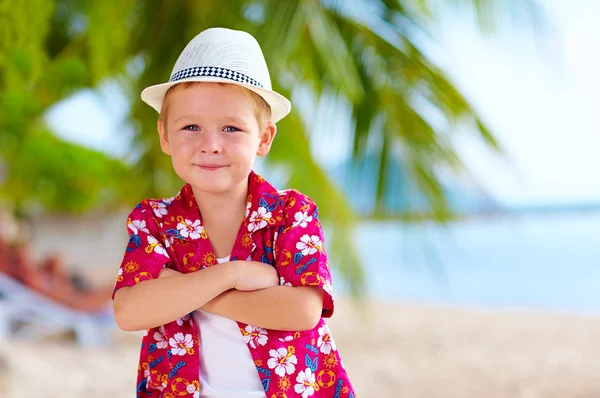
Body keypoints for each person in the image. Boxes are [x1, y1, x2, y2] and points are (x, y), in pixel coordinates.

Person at [112, 27, 355, 398]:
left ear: (263, 138)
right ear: (164, 135)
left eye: (231, 128)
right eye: (190, 126)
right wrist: (234, 273)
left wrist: (181, 288)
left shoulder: (290, 213)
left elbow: (303, 310)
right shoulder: (154, 221)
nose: (210, 145)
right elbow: (129, 311)